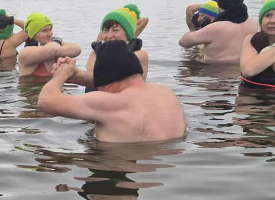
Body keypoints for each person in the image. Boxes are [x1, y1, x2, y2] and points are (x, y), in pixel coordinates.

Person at [38, 41, 185, 143]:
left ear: (106, 85)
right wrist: (76, 76)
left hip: (117, 164)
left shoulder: (113, 103)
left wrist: (61, 76)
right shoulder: (166, 92)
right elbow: (114, 83)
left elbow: (46, 101)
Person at [177, 0, 257, 62]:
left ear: (220, 6)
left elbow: (183, 42)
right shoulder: (255, 23)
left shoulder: (215, 28)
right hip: (243, 71)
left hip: (216, 72)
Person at [86, 6, 150, 81]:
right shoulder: (95, 54)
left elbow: (145, 20)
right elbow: (91, 78)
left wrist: (127, 19)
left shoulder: (139, 55)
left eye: (115, 30)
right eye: (105, 30)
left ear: (128, 35)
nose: (109, 36)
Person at [18, 13, 81, 78]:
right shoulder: (25, 53)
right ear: (33, 34)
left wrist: (55, 50)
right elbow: (53, 49)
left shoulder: (53, 48)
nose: (50, 34)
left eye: (50, 29)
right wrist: (57, 43)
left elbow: (77, 49)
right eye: (44, 31)